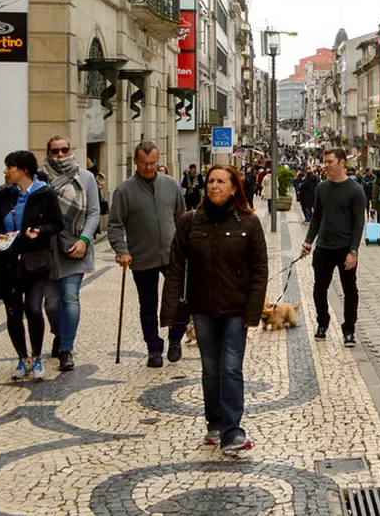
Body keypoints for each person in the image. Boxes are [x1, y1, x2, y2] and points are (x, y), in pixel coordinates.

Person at [162, 165, 267, 456]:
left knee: (231, 367)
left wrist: (253, 312)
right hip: (203, 307)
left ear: (234, 188)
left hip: (236, 307)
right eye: (210, 181)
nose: (214, 186)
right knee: (210, 368)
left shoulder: (249, 223)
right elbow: (176, 268)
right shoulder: (190, 221)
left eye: (221, 181)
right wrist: (172, 313)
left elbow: (260, 270)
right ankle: (215, 422)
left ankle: (233, 430)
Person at [0, 150, 64, 381]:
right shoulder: (3, 194)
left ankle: (38, 357)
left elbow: (57, 224)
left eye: (9, 167)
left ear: (23, 170)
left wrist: (40, 231)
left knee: (33, 308)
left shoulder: (44, 193)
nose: (5, 171)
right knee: (13, 312)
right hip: (7, 261)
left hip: (35, 260)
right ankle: (23, 357)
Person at [108, 141, 187, 367]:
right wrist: (121, 251)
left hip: (172, 255)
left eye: (153, 163)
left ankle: (175, 339)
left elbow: (182, 219)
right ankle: (154, 348)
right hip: (142, 258)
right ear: (135, 161)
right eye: (144, 163)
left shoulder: (171, 185)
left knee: (181, 300)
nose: (149, 168)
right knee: (148, 304)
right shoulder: (124, 191)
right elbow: (114, 225)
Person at [41, 136, 100, 371]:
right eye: (55, 151)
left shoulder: (85, 178)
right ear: (48, 153)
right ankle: (58, 332)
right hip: (48, 248)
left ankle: (67, 347)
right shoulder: (41, 179)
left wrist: (85, 239)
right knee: (52, 302)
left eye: (64, 150)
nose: (60, 154)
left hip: (75, 245)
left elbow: (94, 212)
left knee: (70, 297)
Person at [299, 148, 365, 346]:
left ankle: (349, 330)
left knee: (350, 290)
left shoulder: (355, 190)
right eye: (325, 161)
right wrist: (308, 241)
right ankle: (322, 323)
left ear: (342, 163)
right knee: (319, 289)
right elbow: (317, 217)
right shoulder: (322, 188)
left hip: (345, 248)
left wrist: (354, 251)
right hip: (324, 248)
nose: (326, 165)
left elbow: (359, 223)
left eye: (330, 161)